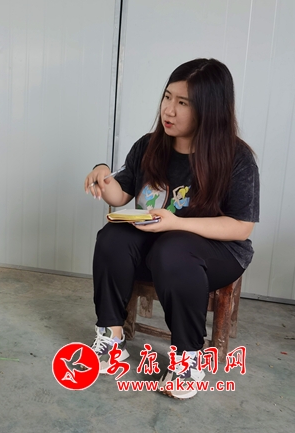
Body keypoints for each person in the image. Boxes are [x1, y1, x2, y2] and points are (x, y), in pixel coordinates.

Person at [83, 58, 259, 399]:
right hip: (158, 244)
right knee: (112, 238)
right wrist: (102, 174)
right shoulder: (150, 145)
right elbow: (121, 195)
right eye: (167, 97)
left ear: (210, 109)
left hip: (217, 252)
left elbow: (241, 227)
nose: (169, 110)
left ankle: (188, 359)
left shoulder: (235, 158)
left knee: (174, 248)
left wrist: (177, 223)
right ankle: (110, 337)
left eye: (183, 103)